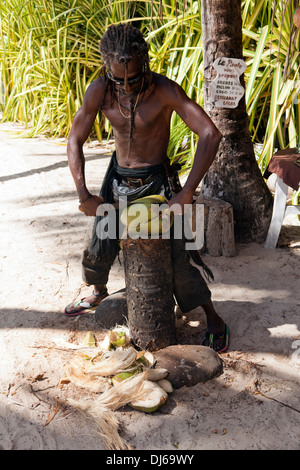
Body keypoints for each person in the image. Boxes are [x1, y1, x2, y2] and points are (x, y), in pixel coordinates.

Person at [65, 23, 229, 353]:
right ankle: (98, 290)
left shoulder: (166, 91)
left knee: (178, 261)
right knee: (101, 242)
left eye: (134, 78)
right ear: (106, 69)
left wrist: (186, 194)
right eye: (118, 79)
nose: (125, 86)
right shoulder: (100, 90)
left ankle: (214, 320)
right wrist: (84, 195)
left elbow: (210, 134)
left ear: (145, 63)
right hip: (117, 180)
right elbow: (75, 138)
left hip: (158, 184)